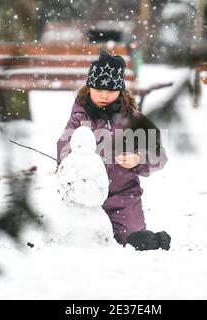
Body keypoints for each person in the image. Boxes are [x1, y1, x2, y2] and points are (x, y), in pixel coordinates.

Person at [56, 50, 171, 251]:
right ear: (89, 87)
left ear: (121, 91)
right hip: (85, 197)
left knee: (129, 239)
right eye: (98, 89)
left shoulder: (133, 119)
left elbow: (160, 155)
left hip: (123, 197)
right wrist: (79, 164)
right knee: (86, 239)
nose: (103, 94)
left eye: (110, 90)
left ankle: (145, 239)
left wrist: (139, 158)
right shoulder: (79, 118)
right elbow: (63, 152)